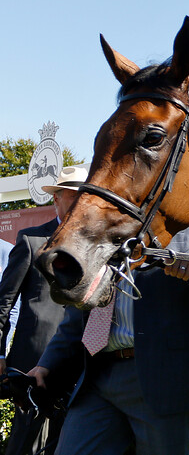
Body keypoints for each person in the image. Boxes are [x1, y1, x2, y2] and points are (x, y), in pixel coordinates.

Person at [30, 200, 189, 455]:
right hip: (98, 376)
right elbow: (81, 306)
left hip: (165, 380)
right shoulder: (104, 209)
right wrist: (48, 362)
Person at [0, 166, 87, 455]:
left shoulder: (95, 244)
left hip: (80, 357)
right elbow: (4, 302)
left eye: (82, 196)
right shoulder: (31, 240)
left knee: (68, 440)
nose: (77, 202)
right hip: (32, 357)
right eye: (71, 195)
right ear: (56, 199)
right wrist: (0, 353)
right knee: (25, 440)